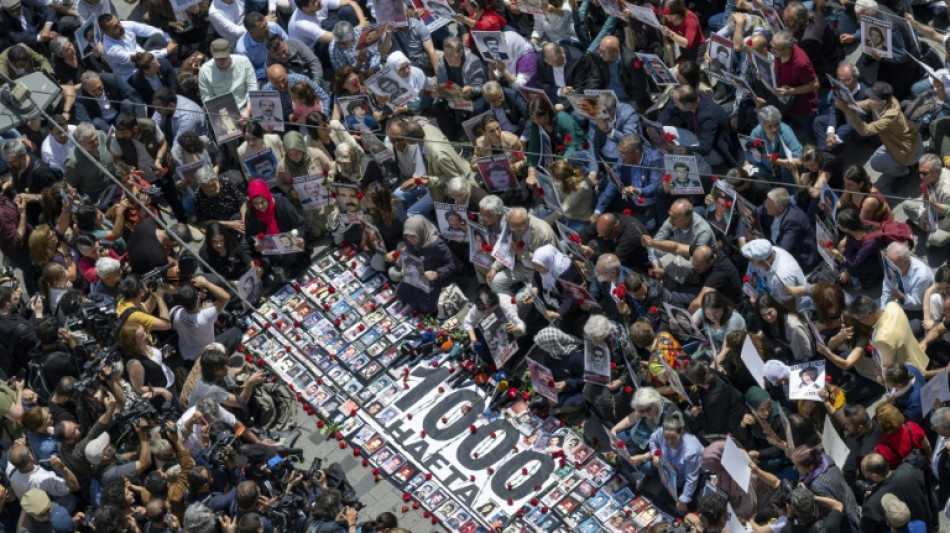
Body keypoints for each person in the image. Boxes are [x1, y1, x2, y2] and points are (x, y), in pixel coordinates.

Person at [393, 215, 459, 315]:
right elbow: (411, 252)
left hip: (435, 278)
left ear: (421, 231)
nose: (410, 239)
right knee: (400, 293)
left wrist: (436, 273)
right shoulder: (408, 238)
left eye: (413, 236)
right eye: (407, 235)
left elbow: (454, 264)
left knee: (427, 308)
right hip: (417, 275)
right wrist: (402, 258)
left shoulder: (436, 244)